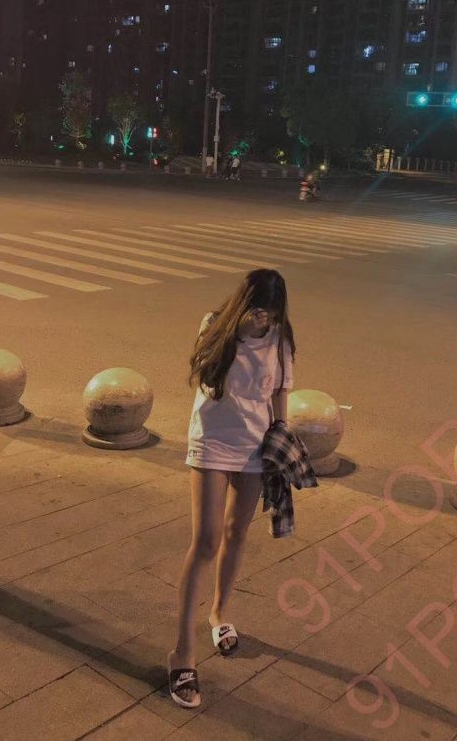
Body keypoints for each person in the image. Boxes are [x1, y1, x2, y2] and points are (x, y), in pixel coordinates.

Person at [167, 269, 296, 708]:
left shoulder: (280, 338)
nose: (263, 319)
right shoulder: (214, 325)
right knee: (205, 540)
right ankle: (182, 654)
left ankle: (220, 613)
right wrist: (235, 331)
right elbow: (203, 374)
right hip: (212, 440)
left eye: (270, 313)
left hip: (254, 446)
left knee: (237, 532)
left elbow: (280, 392)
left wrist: (281, 435)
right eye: (258, 310)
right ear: (244, 302)